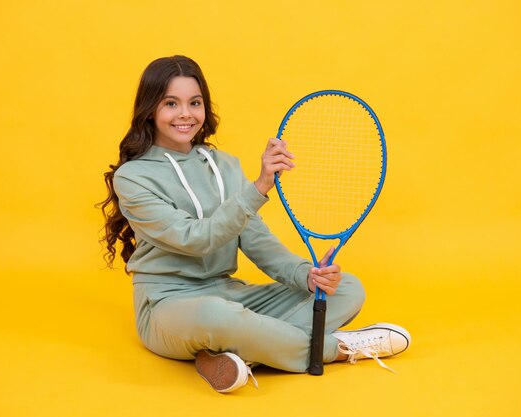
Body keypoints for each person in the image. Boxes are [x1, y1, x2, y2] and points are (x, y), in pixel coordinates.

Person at [98, 55, 411, 393]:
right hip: (167, 306)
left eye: (195, 102)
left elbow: (256, 239)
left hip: (231, 296)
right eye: (171, 103)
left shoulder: (225, 165)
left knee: (347, 289)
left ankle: (229, 353)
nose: (185, 113)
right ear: (149, 110)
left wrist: (306, 274)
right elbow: (194, 239)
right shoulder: (132, 178)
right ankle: (341, 348)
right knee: (217, 317)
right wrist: (259, 187)